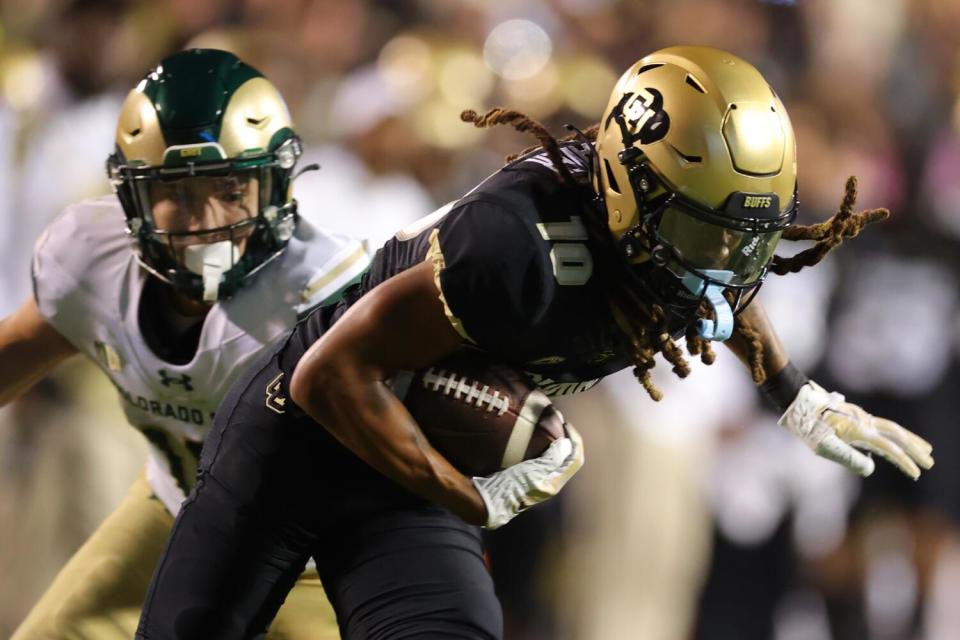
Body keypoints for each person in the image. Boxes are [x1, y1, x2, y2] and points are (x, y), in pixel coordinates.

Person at [135, 46, 934, 640]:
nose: (722, 263)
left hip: (413, 463)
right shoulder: (520, 246)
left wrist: (797, 399)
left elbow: (728, 283)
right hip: (299, 440)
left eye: (743, 236)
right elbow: (328, 374)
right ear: (627, 186)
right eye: (701, 230)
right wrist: (474, 496)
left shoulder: (687, 236)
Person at [0, 49, 369, 639]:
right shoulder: (91, 260)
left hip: (320, 555)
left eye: (229, 186)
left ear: (275, 181)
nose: (204, 221)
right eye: (176, 189)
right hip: (174, 512)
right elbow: (15, 353)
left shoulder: (332, 291)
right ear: (131, 197)